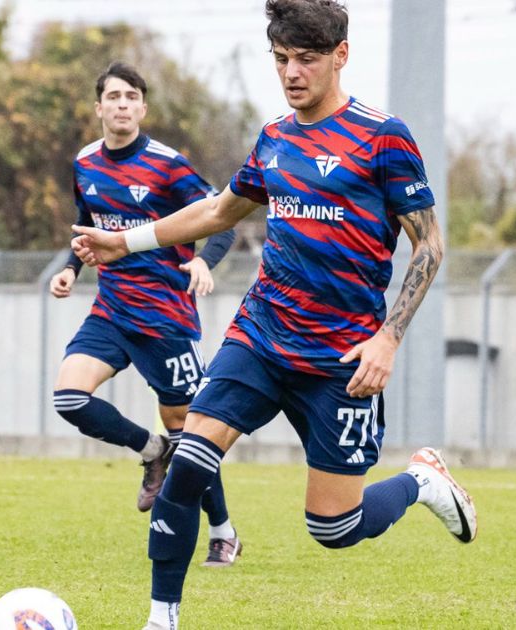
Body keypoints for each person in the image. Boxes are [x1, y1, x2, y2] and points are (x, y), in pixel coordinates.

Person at [72, 2, 478, 628]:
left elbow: (430, 245)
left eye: (306, 59)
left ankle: (422, 481)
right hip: (260, 336)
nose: (291, 73)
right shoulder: (275, 137)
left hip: (340, 355)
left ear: (341, 56)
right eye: (282, 58)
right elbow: (217, 211)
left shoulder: (383, 136)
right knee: (188, 463)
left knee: (335, 527)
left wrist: (388, 339)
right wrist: (123, 242)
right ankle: (161, 618)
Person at [50, 61, 242, 568]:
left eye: (131, 97)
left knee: (192, 433)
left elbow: (222, 221)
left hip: (166, 318)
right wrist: (71, 267)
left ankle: (223, 531)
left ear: (143, 108)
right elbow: (87, 223)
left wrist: (202, 260)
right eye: (113, 96)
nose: (122, 105)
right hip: (112, 311)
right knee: (69, 397)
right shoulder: (85, 162)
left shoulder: (168, 165)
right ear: (98, 107)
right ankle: (152, 451)